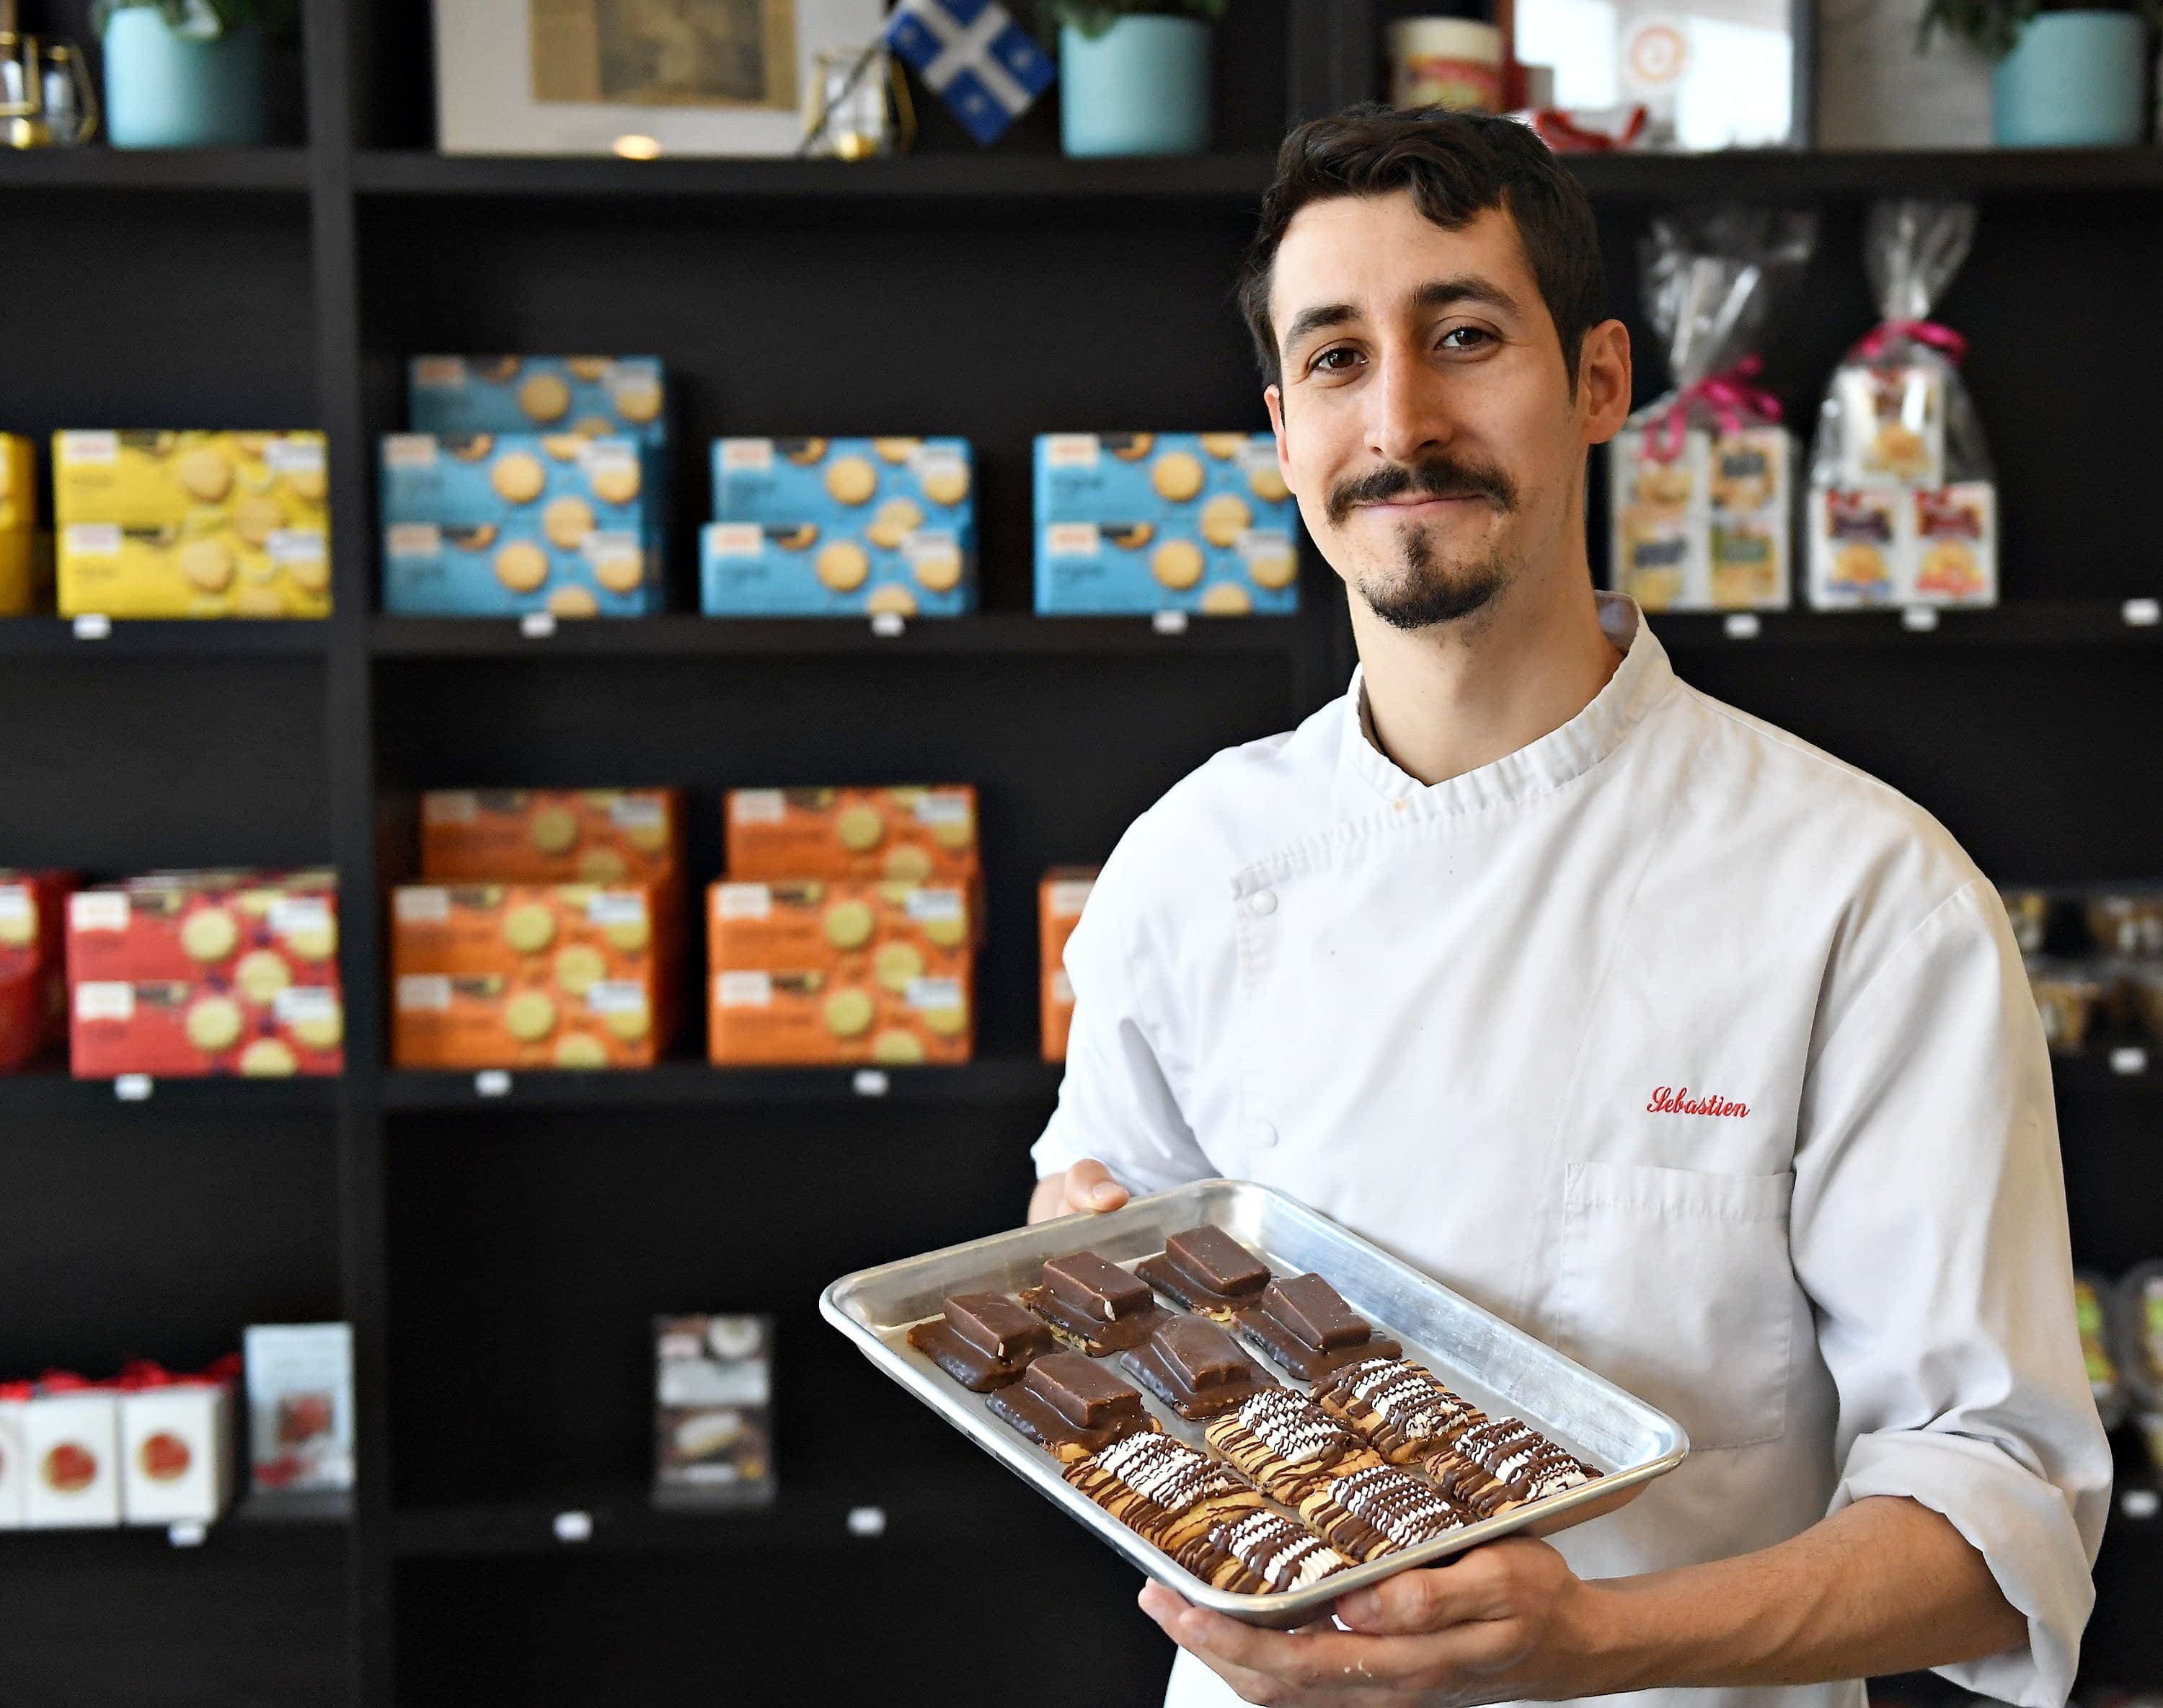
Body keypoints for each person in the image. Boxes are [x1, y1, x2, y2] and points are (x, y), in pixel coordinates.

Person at [1028, 105, 2108, 1708]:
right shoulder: (1188, 867)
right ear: (1278, 430)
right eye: (1335, 360)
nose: (1401, 420)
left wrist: (1590, 1643)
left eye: (1464, 336)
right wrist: (1085, 1296)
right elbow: (1121, 1318)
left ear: (1601, 380)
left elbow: (1996, 1505)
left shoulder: (1858, 890)